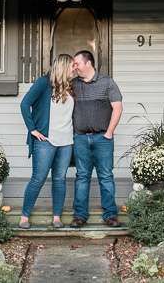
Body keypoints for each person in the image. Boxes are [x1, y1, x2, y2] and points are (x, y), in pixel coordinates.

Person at [18, 54, 76, 229]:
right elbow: (24, 104)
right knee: (38, 178)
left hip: (66, 141)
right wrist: (32, 129)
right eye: (72, 66)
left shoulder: (71, 87)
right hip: (45, 140)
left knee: (59, 179)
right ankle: (24, 217)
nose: (74, 69)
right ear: (64, 67)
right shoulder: (43, 83)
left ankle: (57, 217)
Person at [69, 49, 123, 227]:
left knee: (106, 176)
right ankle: (80, 215)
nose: (75, 67)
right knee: (82, 176)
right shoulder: (73, 84)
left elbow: (118, 108)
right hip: (81, 138)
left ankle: (110, 215)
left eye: (77, 64)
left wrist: (109, 133)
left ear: (88, 63)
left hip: (102, 138)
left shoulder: (107, 82)